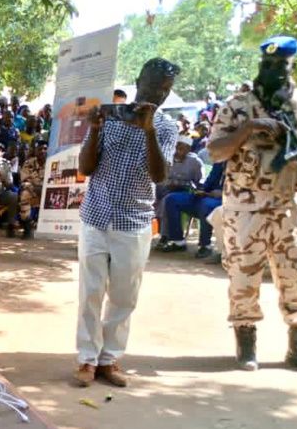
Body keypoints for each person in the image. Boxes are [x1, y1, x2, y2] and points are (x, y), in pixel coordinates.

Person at [207, 35, 297, 376]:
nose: (271, 70)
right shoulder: (238, 105)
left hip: (290, 206)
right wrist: (247, 129)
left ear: (291, 66)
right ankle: (246, 340)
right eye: (266, 64)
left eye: (279, 65)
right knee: (243, 275)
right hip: (245, 207)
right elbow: (216, 151)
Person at [75, 57, 181, 387]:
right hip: (95, 217)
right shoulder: (110, 117)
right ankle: (87, 360)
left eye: (165, 90)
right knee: (90, 292)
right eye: (153, 87)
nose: (158, 95)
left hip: (133, 222)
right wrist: (95, 129)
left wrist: (148, 131)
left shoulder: (166, 127)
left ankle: (110, 359)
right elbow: (86, 166)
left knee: (124, 296)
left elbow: (159, 174)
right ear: (138, 81)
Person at [160, 161, 225, 257]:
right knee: (171, 199)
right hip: (207, 196)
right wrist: (201, 190)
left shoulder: (239, 164)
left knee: (206, 205)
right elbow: (209, 181)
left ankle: (205, 245)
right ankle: (178, 242)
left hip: (224, 200)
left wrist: (216, 194)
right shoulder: (220, 162)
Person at [154, 136, 203, 240]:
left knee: (167, 201)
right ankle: (161, 233)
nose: (177, 151)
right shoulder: (168, 159)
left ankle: (165, 236)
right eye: (176, 147)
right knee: (157, 197)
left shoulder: (195, 162)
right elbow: (161, 178)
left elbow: (200, 182)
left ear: (188, 150)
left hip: (185, 191)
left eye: (181, 148)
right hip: (166, 189)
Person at [18, 139, 48, 236]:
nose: (42, 151)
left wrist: (43, 189)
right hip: (33, 191)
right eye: (40, 149)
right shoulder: (29, 163)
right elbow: (25, 181)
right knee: (24, 194)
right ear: (35, 151)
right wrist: (35, 188)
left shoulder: (52, 162)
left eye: (45, 149)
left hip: (48, 191)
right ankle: (27, 224)